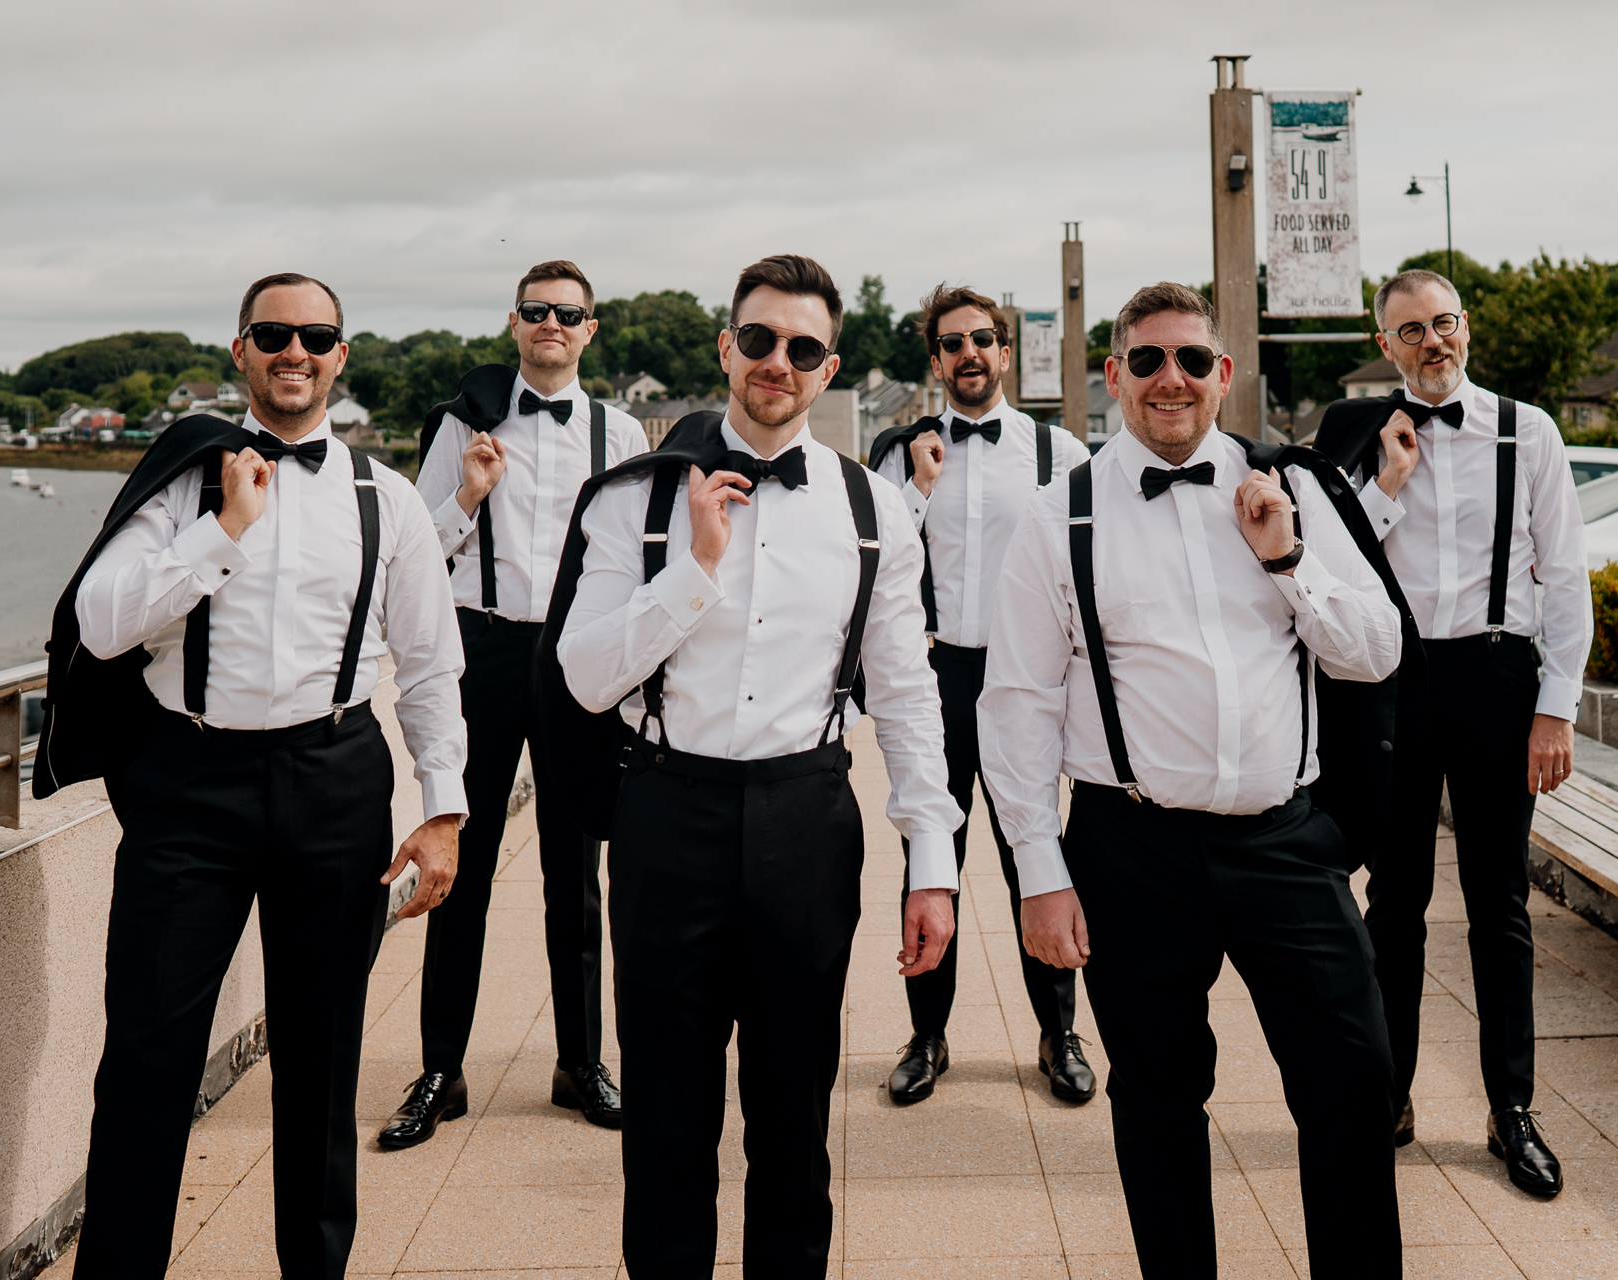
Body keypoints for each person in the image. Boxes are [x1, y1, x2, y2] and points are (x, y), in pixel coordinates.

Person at [546, 254, 962, 1278]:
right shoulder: (632, 502)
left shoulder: (877, 512)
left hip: (805, 817)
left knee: (793, 1125)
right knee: (667, 1130)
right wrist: (693, 569)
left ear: (830, 369)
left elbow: (906, 696)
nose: (780, 362)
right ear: (726, 346)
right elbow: (585, 676)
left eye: (804, 348)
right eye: (761, 339)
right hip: (664, 814)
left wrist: (935, 860)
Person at [980, 282, 1405, 1277]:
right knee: (1160, 1094)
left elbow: (1376, 653)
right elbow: (1019, 701)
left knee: (1353, 1078)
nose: (1169, 379)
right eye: (1145, 361)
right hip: (1133, 846)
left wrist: (1289, 558)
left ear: (1223, 373)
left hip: (1286, 841)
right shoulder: (1060, 513)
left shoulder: (1292, 486)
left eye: (1190, 359)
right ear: (1114, 376)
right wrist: (1039, 871)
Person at [63, 272, 467, 1279]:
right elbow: (103, 622)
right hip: (188, 785)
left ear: (342, 354)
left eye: (316, 334)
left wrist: (445, 806)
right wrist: (223, 529)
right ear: (240, 351)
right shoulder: (184, 483)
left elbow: (427, 662)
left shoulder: (390, 498)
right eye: (273, 332)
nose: (296, 349)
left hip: (334, 776)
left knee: (323, 1061)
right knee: (150, 1056)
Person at [1312, 267, 1592, 1198]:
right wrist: (1388, 481)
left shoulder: (1530, 431)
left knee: (1499, 905)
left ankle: (1511, 1107)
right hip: (1394, 680)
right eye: (1412, 331)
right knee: (1392, 901)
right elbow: (1333, 563)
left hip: (1496, 677)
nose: (1435, 342)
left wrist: (1556, 705)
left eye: (1446, 324)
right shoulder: (1354, 435)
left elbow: (1569, 578)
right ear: (1384, 345)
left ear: (1465, 329)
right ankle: (1387, 1094)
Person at [389, 261, 648, 1144]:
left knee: (575, 878)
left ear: (590, 330)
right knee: (459, 863)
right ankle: (440, 1071)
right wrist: (468, 492)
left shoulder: (620, 432)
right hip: (486, 649)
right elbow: (415, 550)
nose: (551, 324)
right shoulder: (468, 421)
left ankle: (580, 1064)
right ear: (515, 323)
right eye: (537, 311)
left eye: (567, 314)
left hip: (579, 661)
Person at [867, 283, 1093, 1105]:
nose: (970, 353)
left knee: (1032, 849)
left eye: (984, 339)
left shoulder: (1059, 454)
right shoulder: (899, 453)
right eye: (953, 342)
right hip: (932, 676)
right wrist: (920, 488)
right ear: (935, 362)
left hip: (1021, 679)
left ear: (1003, 352)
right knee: (931, 857)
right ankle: (928, 1036)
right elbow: (869, 558)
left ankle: (1059, 1032)